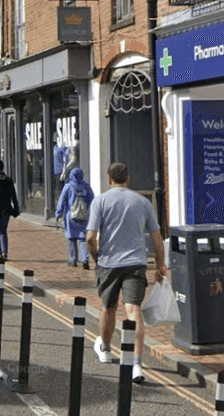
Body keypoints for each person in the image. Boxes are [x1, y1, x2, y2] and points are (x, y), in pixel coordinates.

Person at [86, 162, 166, 385]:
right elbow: (157, 237)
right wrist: (161, 265)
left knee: (108, 308)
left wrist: (96, 258)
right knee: (134, 311)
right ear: (127, 178)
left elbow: (90, 238)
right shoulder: (142, 202)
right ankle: (137, 364)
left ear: (109, 178)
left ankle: (105, 348)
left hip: (108, 263)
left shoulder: (100, 201)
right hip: (135, 263)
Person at [55, 167, 95, 268]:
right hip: (84, 216)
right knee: (83, 239)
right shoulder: (86, 186)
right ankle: (85, 259)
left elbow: (62, 201)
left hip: (71, 216)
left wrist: (58, 214)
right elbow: (92, 199)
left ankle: (73, 260)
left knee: (71, 239)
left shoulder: (68, 186)